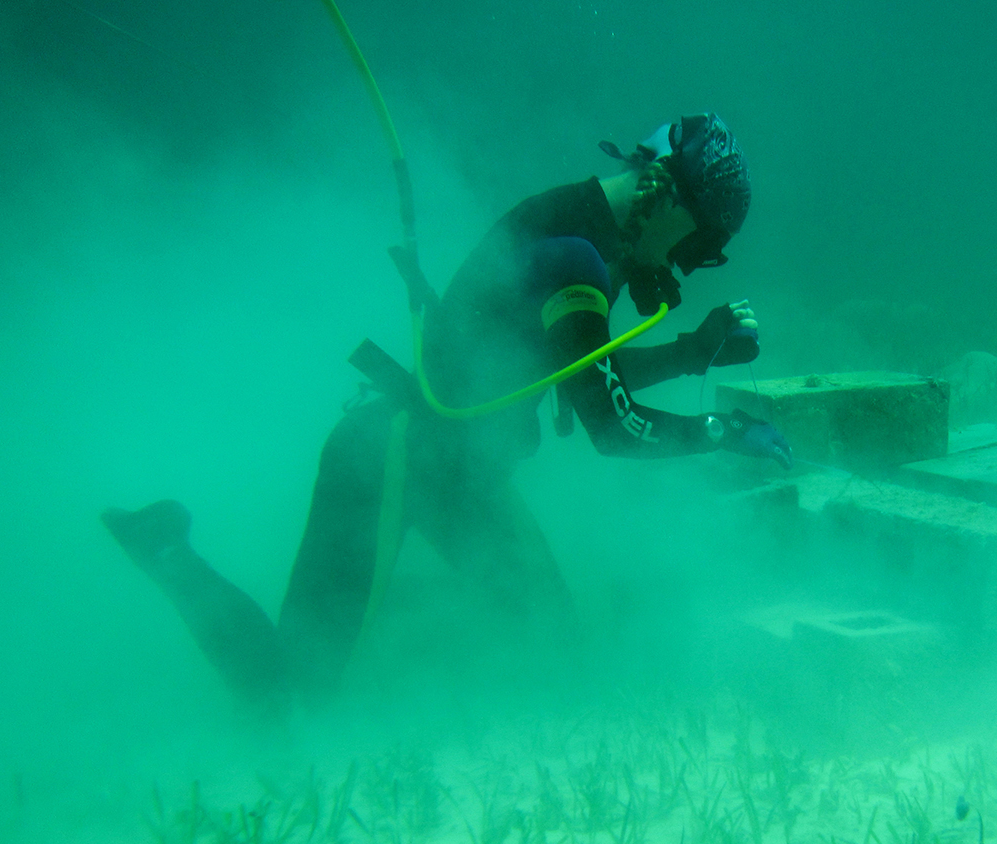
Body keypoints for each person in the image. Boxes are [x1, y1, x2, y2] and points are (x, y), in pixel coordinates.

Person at [102, 113, 791, 712]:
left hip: (461, 474)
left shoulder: (588, 237)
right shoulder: (578, 259)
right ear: (669, 193)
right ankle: (167, 549)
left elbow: (581, 371)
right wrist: (722, 431)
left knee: (556, 643)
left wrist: (695, 352)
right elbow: (612, 428)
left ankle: (376, 614)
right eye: (700, 247)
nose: (689, 267)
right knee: (290, 696)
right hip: (393, 459)